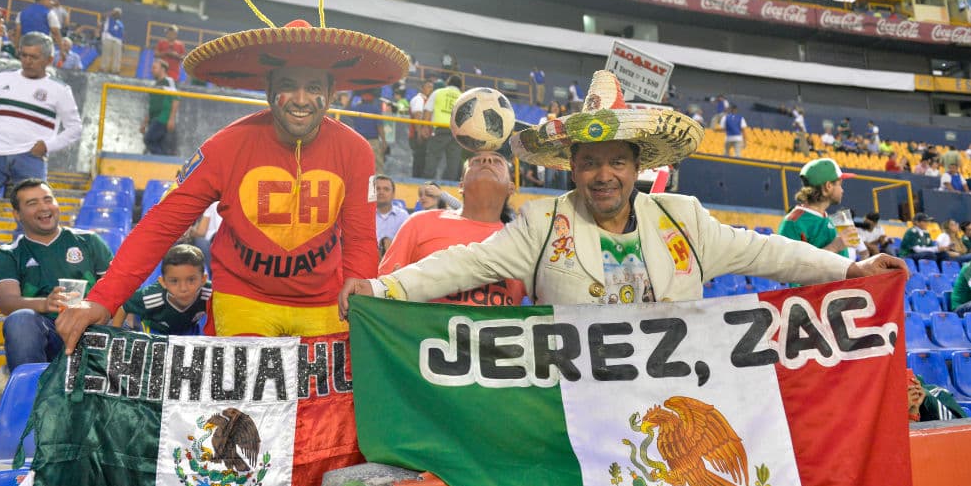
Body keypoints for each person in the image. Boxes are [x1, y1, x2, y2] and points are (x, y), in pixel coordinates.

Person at [55, 0, 409, 486]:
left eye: (313, 87)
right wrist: (104, 299)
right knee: (242, 423)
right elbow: (161, 225)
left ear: (331, 93)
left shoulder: (357, 151)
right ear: (269, 91)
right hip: (245, 301)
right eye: (287, 85)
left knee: (330, 427)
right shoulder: (224, 147)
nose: (300, 98)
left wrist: (361, 281)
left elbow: (361, 237)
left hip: (322, 306)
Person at [340, 70, 904, 313]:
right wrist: (381, 289)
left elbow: (767, 252)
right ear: (572, 169)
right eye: (588, 163)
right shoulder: (542, 225)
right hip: (577, 413)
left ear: (636, 166)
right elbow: (464, 263)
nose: (602, 175)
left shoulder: (683, 219)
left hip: (682, 400)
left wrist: (849, 272)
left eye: (615, 161)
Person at [0, 32, 82, 268]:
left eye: (34, 57)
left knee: (33, 209)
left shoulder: (59, 90)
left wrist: (47, 145)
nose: (27, 61)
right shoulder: (2, 78)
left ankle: (20, 252)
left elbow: (75, 128)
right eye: (24, 55)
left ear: (48, 59)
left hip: (29, 156)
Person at [0, 179, 113, 372]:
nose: (43, 207)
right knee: (20, 320)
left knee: (122, 318)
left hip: (93, 328)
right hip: (48, 333)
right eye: (32, 203)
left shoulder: (89, 241)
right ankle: (32, 391)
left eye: (48, 199)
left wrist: (93, 309)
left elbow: (117, 287)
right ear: (17, 215)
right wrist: (44, 304)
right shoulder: (9, 254)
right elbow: (7, 302)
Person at [379, 150, 525, 306]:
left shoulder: (523, 244)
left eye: (497, 161)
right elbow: (382, 289)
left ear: (511, 187)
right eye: (476, 161)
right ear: (461, 185)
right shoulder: (420, 223)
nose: (487, 160)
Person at [112, 244, 211, 335]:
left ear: (203, 279)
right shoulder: (151, 297)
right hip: (155, 331)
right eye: (174, 281)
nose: (183, 288)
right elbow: (123, 306)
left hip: (188, 330)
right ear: (163, 282)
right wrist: (115, 337)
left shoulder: (210, 294)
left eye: (191, 280)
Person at [777, 158, 857, 259]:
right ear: (828, 186)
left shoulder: (825, 217)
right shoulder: (793, 222)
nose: (842, 190)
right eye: (839, 184)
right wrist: (834, 247)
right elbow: (789, 267)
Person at [424, 75, 463, 180]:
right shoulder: (464, 97)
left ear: (447, 83)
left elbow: (428, 110)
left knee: (433, 156)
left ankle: (427, 183)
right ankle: (450, 186)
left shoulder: (438, 93)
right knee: (453, 161)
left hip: (440, 129)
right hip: (457, 132)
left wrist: (425, 127)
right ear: (461, 86)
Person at [142, 58, 179, 155]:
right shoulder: (155, 85)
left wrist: (171, 118)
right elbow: (151, 105)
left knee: (148, 139)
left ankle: (162, 159)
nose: (152, 70)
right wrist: (145, 123)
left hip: (162, 118)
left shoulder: (168, 81)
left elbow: (175, 99)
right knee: (160, 145)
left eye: (154, 68)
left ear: (162, 69)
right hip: (153, 119)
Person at [352, 89, 386, 174]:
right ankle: (378, 184)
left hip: (358, 140)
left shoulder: (356, 108)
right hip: (372, 141)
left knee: (357, 164)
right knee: (377, 166)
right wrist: (384, 141)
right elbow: (380, 127)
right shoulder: (375, 109)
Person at [374, 174, 408, 253]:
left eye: (386, 189)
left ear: (393, 194)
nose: (381, 192)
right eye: (377, 189)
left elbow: (407, 244)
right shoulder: (365, 216)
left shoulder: (403, 216)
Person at [409, 79, 434, 177]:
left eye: (432, 87)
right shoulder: (419, 99)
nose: (430, 90)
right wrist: (419, 133)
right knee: (419, 159)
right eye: (428, 87)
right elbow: (417, 115)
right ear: (422, 88)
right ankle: (416, 180)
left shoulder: (427, 100)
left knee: (422, 160)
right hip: (417, 134)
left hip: (424, 134)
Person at [101, 7, 125, 74]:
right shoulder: (108, 19)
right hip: (108, 38)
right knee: (106, 55)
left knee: (117, 57)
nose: (117, 14)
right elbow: (103, 15)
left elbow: (122, 33)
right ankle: (104, 69)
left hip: (118, 41)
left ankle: (115, 70)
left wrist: (123, 43)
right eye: (116, 13)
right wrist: (112, 12)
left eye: (119, 13)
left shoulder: (121, 23)